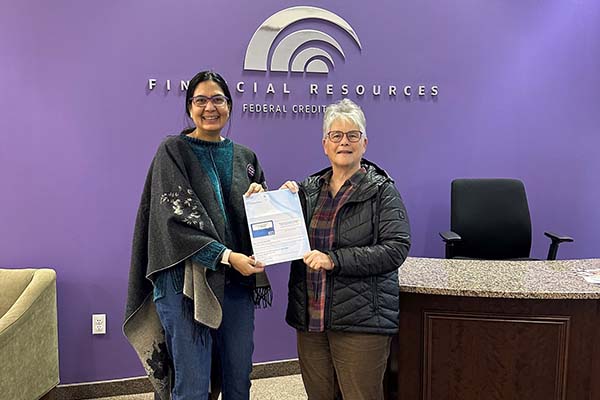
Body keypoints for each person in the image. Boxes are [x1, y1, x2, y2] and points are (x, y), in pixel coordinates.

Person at [124, 71, 271, 400]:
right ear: (189, 108)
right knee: (191, 384)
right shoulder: (172, 151)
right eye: (200, 100)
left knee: (238, 379)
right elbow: (171, 221)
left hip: (236, 283)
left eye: (218, 99)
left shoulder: (246, 158)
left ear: (229, 106)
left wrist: (266, 199)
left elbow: (256, 222)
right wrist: (226, 256)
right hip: (185, 284)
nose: (210, 107)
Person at [280, 98, 411, 400]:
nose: (344, 142)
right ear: (325, 144)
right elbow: (283, 237)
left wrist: (334, 260)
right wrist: (269, 200)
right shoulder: (309, 189)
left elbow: (396, 248)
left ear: (364, 143)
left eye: (353, 135)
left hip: (362, 319)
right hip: (311, 317)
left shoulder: (382, 191)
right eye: (336, 136)